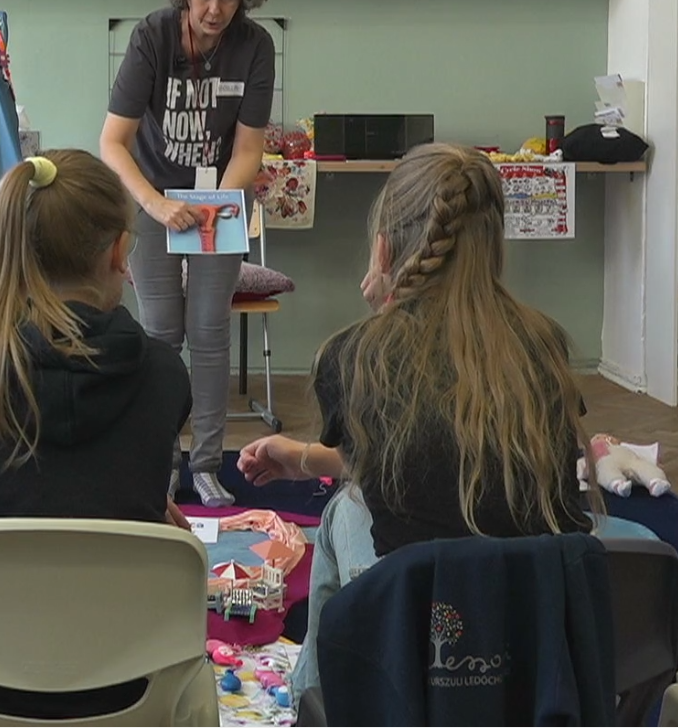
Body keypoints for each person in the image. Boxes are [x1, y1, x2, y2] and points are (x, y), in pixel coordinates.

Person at [240, 141, 609, 700]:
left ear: (383, 248)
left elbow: (403, 462)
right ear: (494, 244)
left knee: (344, 509)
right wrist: (306, 458)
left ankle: (316, 700)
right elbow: (442, 450)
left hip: (418, 615)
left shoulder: (353, 354)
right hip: (537, 619)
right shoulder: (545, 343)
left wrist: (382, 314)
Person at [100, 0, 275, 507]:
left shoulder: (255, 46)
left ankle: (204, 465)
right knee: (161, 334)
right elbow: (112, 143)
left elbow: (248, 150)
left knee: (208, 331)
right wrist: (156, 204)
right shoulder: (151, 37)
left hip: (219, 199)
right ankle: (157, 459)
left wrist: (214, 209)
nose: (215, 9)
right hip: (153, 198)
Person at [0, 150, 191, 529]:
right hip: (120, 568)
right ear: (118, 251)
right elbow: (93, 481)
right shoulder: (164, 374)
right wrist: (139, 505)